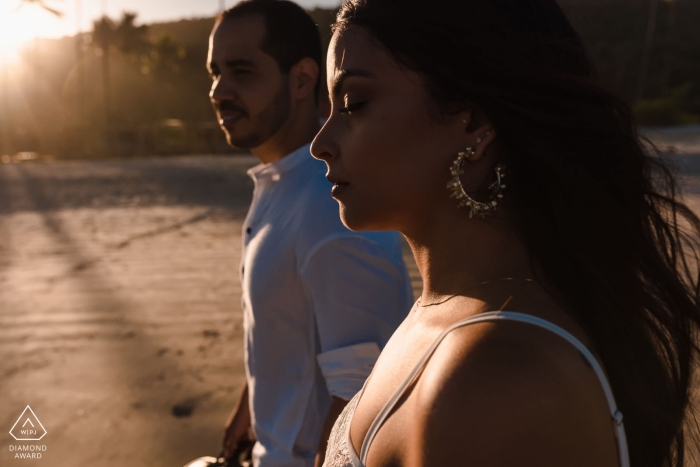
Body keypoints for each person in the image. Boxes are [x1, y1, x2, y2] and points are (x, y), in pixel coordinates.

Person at [310, 1, 700, 466]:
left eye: (355, 104)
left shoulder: (495, 378)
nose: (321, 143)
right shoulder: (447, 312)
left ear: (473, 124)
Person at [206, 1, 414, 467]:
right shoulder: (283, 184)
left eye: (242, 71)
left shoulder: (332, 205)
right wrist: (250, 407)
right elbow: (287, 322)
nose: (220, 90)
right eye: (214, 73)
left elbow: (365, 392)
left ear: (302, 79)